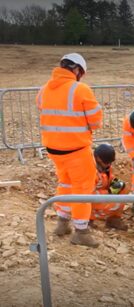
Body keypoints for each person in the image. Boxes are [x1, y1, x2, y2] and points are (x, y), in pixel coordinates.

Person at [38, 53, 103, 247]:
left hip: (53, 149)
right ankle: (81, 231)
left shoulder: (43, 90)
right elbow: (96, 122)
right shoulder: (80, 90)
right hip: (76, 149)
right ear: (77, 70)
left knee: (65, 183)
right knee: (82, 188)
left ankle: (62, 222)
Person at [89, 143, 128, 231]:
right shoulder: (90, 170)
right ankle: (88, 220)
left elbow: (109, 178)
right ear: (98, 159)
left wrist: (116, 183)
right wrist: (109, 192)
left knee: (122, 188)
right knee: (114, 202)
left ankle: (114, 219)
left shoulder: (106, 167)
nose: (109, 164)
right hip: (89, 199)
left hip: (101, 194)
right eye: (107, 162)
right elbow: (88, 193)